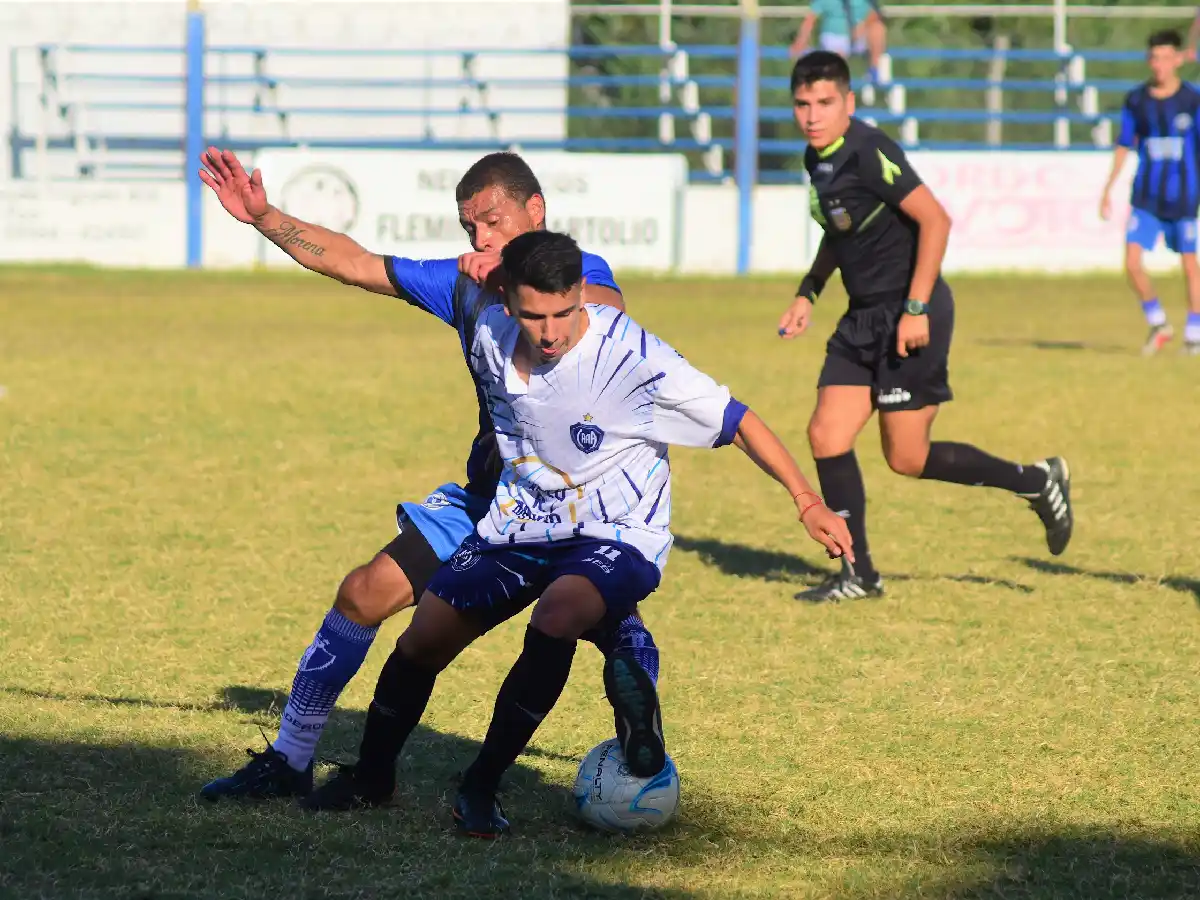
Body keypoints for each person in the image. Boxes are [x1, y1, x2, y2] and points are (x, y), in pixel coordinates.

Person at [315, 229, 853, 837]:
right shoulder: (489, 328)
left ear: (581, 295)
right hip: (524, 518)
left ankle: (482, 783)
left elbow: (738, 419)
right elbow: (367, 267)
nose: (549, 331)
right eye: (534, 315)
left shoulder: (630, 354)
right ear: (508, 301)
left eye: (564, 313)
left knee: (559, 612)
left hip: (617, 526)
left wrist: (806, 500)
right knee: (423, 638)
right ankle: (372, 777)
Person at [194, 148, 663, 801]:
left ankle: (633, 688)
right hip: (485, 499)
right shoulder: (463, 283)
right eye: (471, 228)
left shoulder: (579, 275)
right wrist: (265, 216)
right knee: (363, 593)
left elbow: (607, 321)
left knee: (586, 609)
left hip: (575, 506)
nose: (482, 238)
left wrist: (512, 276)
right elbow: (353, 262)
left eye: (494, 221)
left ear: (536, 211)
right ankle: (293, 760)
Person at [778, 51, 1074, 603]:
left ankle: (1037, 481)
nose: (812, 115)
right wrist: (808, 292)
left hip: (910, 313)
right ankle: (858, 574)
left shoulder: (870, 150)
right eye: (802, 104)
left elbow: (936, 218)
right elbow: (840, 232)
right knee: (826, 434)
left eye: (824, 103)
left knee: (906, 458)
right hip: (861, 317)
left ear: (848, 101)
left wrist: (915, 309)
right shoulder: (815, 158)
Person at [1100, 29, 1200, 356]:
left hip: (1183, 198)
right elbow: (1124, 143)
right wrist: (1108, 187)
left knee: (1189, 265)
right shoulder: (1137, 100)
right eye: (1154, 58)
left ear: (1177, 61)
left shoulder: (1192, 100)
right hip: (1146, 198)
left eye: (1166, 58)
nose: (1159, 65)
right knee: (1131, 262)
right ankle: (1158, 323)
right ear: (1148, 60)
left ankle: (1194, 334)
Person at [789, 0, 887, 79]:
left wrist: (860, 28)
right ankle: (839, 84)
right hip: (834, 37)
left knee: (878, 29)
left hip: (857, 37)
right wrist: (801, 40)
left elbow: (874, 14)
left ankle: (873, 71)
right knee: (837, 56)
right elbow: (810, 19)